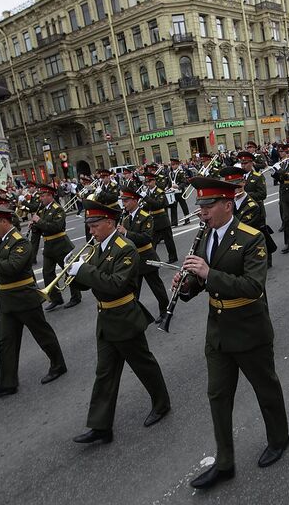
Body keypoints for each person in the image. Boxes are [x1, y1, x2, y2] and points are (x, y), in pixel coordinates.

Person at [174, 177, 289, 489]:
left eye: (208, 206)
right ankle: (225, 462)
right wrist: (187, 285)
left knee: (266, 388)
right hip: (218, 331)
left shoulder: (251, 238)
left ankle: (279, 439)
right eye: (200, 206)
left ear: (227, 205)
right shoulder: (205, 237)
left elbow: (253, 287)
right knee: (218, 397)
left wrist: (208, 273)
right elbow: (201, 281)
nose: (202, 212)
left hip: (249, 328)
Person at [69, 200, 171, 445]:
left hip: (124, 316)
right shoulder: (97, 248)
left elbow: (115, 284)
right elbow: (90, 283)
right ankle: (100, 426)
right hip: (105, 319)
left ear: (110, 223)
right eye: (89, 225)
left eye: (95, 225)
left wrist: (83, 271)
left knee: (142, 364)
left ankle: (162, 403)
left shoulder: (126, 248)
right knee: (104, 373)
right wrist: (73, 273)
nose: (90, 230)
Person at [0, 205, 67, 396]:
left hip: (24, 297)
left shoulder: (20, 242)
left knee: (42, 334)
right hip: (8, 299)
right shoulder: (1, 240)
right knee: (6, 342)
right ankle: (8, 382)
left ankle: (58, 365)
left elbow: (12, 267)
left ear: (4, 221)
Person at [117, 186, 170, 324]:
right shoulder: (126, 219)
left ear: (134, 200)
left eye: (126, 201)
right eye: (123, 201)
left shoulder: (146, 217)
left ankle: (165, 311)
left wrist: (126, 233)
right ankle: (135, 315)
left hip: (147, 257)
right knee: (133, 291)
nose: (124, 204)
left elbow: (146, 238)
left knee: (156, 287)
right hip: (133, 259)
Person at [30, 183, 82, 311]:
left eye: (42, 196)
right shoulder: (43, 210)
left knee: (68, 272)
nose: (40, 198)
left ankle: (76, 297)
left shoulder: (58, 209)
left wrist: (39, 221)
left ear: (49, 195)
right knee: (47, 273)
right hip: (49, 246)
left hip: (60, 245)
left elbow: (55, 227)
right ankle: (56, 298)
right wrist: (35, 226)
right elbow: (42, 228)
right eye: (40, 196)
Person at [141, 172, 178, 264]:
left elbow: (158, 204)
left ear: (154, 181)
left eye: (149, 181)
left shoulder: (159, 192)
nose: (148, 184)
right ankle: (153, 259)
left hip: (162, 218)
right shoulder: (148, 192)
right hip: (152, 219)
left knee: (168, 240)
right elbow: (148, 206)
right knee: (152, 242)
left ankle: (173, 257)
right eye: (147, 182)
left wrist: (146, 198)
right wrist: (141, 205)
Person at [167, 158, 191, 226]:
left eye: (174, 164)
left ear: (177, 165)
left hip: (180, 192)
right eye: (172, 165)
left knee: (183, 206)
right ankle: (174, 222)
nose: (173, 166)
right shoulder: (170, 173)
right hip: (173, 193)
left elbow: (184, 182)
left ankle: (187, 219)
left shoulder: (181, 172)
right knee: (173, 207)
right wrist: (168, 188)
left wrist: (178, 186)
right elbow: (169, 183)